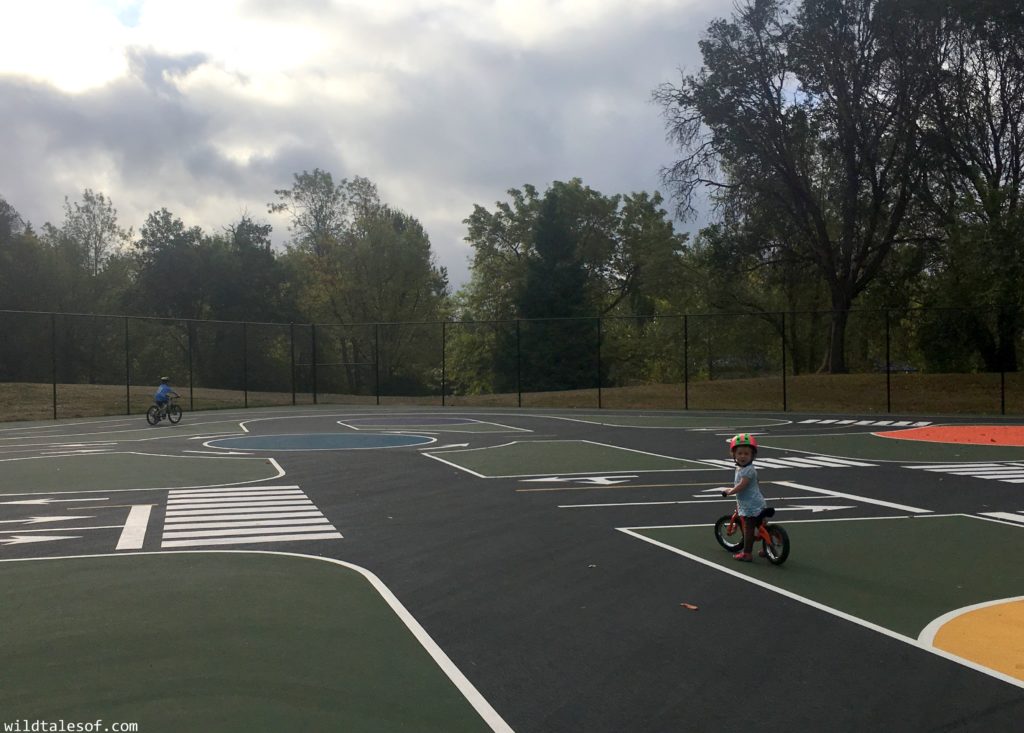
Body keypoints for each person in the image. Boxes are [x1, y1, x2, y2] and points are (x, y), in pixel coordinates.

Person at [719, 433, 766, 562]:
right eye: (739, 453)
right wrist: (732, 488)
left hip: (751, 505)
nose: (743, 456)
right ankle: (767, 548)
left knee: (748, 528)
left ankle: (747, 553)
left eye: (746, 453)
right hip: (756, 502)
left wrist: (730, 492)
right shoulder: (743, 468)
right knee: (762, 527)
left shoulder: (747, 471)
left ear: (752, 455)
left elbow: (741, 486)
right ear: (734, 455)